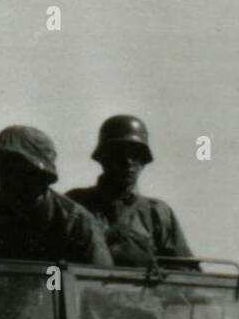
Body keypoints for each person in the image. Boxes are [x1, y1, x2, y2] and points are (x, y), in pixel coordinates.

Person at [0, 125, 111, 266]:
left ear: (41, 176)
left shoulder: (76, 222)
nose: (7, 180)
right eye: (2, 170)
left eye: (17, 171)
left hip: (59, 298)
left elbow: (98, 286)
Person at [65, 115, 195, 269]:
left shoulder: (158, 214)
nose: (128, 162)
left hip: (140, 293)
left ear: (143, 162)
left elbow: (185, 275)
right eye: (119, 154)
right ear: (103, 158)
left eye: (135, 155)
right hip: (80, 293)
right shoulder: (74, 204)